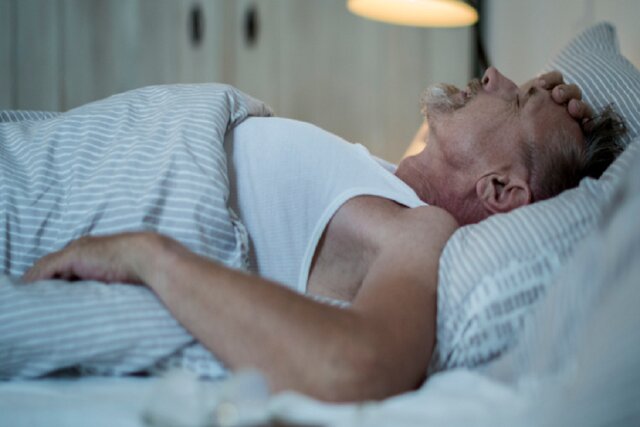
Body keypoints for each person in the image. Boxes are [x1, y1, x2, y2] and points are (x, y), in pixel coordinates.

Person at [21, 67, 625, 402]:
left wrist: (149, 256)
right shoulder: (382, 178)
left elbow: (359, 364)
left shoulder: (418, 226)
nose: (492, 76)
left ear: (499, 190)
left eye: (516, 101)